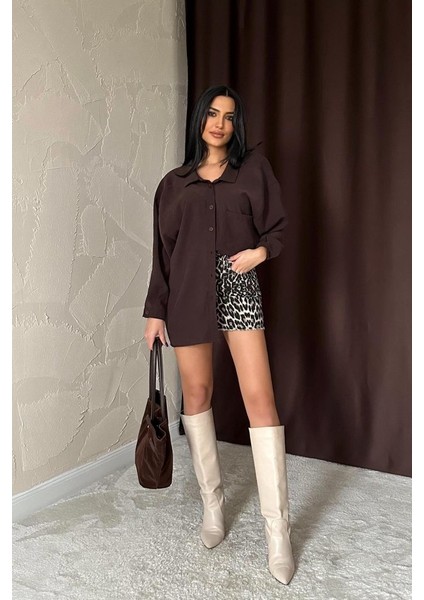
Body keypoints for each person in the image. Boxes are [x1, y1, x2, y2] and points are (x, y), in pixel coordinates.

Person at [143, 85, 295, 585]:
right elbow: (163, 255)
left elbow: (277, 229)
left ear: (236, 125)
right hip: (186, 292)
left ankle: (278, 532)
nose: (219, 124)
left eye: (229, 117)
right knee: (197, 395)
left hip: (238, 285)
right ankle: (213, 506)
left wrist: (260, 253)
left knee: (260, 400)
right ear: (199, 120)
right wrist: (154, 312)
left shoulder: (253, 170)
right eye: (212, 113)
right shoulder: (173, 184)